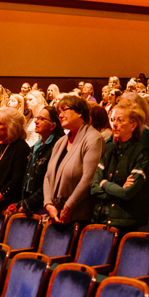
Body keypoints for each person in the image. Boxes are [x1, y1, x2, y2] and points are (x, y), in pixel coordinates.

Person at [91, 99, 149, 235]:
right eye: (113, 120)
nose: (114, 125)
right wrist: (116, 189)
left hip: (125, 223)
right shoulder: (111, 149)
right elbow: (94, 188)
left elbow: (127, 194)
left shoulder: (141, 152)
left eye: (120, 120)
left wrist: (105, 184)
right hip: (101, 216)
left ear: (133, 126)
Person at [43, 95, 105, 225]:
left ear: (80, 112)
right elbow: (48, 176)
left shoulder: (93, 138)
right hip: (56, 213)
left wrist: (69, 206)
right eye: (58, 112)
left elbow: (89, 178)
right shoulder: (61, 142)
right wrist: (48, 204)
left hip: (79, 215)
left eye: (64, 110)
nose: (60, 115)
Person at [17, 106, 64, 215]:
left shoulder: (57, 146)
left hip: (44, 206)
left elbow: (50, 182)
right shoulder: (35, 147)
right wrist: (23, 203)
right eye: (36, 118)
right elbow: (27, 178)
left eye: (42, 119)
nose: (36, 121)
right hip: (29, 202)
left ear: (53, 125)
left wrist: (29, 203)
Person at [0, 108, 29, 213]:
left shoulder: (21, 147)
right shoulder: (1, 146)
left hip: (9, 206)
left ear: (11, 127)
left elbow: (17, 180)